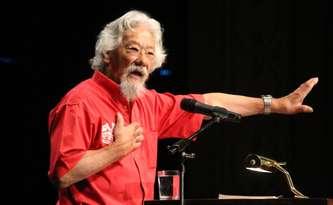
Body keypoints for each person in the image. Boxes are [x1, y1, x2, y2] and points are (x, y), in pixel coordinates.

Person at [48, 10, 318, 205]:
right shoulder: (80, 102)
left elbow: (210, 103)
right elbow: (62, 175)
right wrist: (117, 149)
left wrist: (273, 105)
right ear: (108, 54)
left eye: (150, 53)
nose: (142, 60)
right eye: (133, 49)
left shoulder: (148, 102)